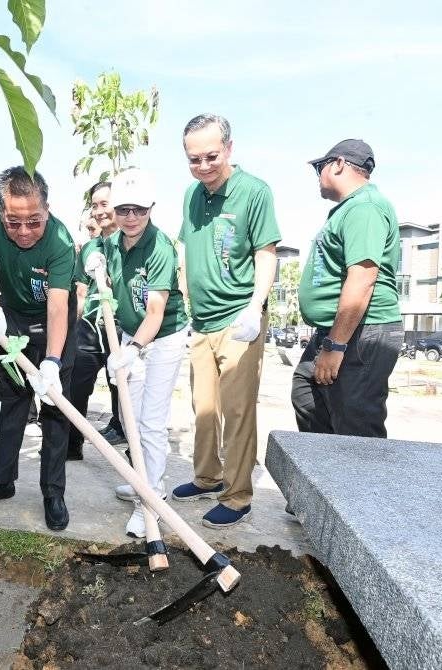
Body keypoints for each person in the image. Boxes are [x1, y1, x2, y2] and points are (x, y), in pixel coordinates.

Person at [171, 114, 280, 529]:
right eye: (194, 159)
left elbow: (266, 253)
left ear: (229, 149)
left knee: (236, 410)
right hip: (202, 321)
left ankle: (237, 496)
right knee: (204, 407)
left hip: (239, 318)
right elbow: (187, 251)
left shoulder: (254, 192)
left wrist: (255, 307)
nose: (203, 166)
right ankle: (207, 477)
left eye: (211, 156)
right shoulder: (191, 196)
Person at [0, 166, 77, 531]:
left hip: (54, 323)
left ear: (47, 209)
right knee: (8, 403)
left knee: (55, 411)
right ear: (2, 213)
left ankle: (53, 491)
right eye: (14, 222)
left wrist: (52, 361)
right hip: (10, 316)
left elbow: (59, 306)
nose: (24, 231)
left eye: (34, 221)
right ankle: (1, 481)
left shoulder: (60, 241)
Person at [99, 169, 189, 538]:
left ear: (151, 208)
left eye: (139, 210)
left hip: (163, 337)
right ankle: (141, 481)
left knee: (150, 422)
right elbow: (89, 256)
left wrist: (132, 349)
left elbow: (155, 313)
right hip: (129, 332)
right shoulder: (112, 243)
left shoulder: (160, 247)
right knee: (128, 416)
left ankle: (150, 499)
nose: (131, 217)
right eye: (124, 210)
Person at [292, 140, 403, 437]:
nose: (317, 176)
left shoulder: (364, 207)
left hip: (362, 334)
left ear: (339, 164)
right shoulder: (350, 209)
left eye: (320, 167)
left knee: (356, 430)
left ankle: (364, 483)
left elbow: (363, 278)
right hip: (335, 331)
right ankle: (323, 481)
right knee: (307, 394)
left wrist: (336, 345)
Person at [66, 181, 123, 461]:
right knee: (77, 387)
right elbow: (80, 291)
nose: (99, 211)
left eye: (105, 204)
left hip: (123, 331)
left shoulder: (132, 244)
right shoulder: (90, 248)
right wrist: (70, 330)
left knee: (123, 391)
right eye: (95, 205)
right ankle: (71, 445)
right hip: (89, 329)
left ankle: (132, 449)